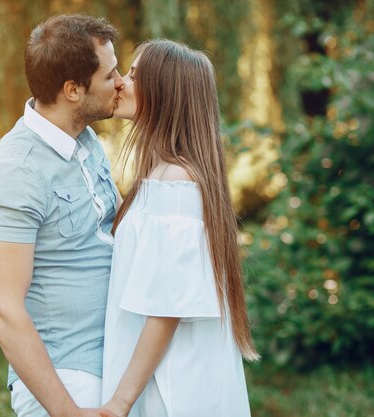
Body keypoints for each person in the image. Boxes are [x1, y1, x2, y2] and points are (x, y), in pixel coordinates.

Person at [0, 15, 124, 417]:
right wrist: (69, 412)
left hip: (116, 364)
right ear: (73, 90)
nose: (121, 82)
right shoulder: (14, 171)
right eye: (111, 75)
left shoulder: (86, 139)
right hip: (69, 378)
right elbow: (4, 309)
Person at [100, 39, 260, 417]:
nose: (121, 81)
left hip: (172, 387)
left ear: (164, 92)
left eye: (134, 74)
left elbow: (165, 310)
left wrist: (118, 404)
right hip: (168, 377)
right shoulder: (167, 176)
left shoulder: (175, 183)